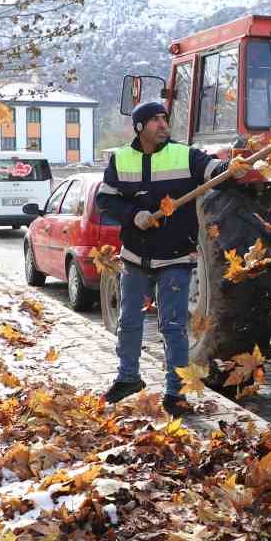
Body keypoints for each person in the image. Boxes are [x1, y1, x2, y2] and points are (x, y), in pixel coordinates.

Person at [96, 100, 247, 416]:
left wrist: (230, 169)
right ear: (140, 128)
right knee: (128, 322)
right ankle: (128, 377)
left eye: (165, 119)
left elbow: (212, 170)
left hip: (175, 257)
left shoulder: (185, 155)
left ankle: (175, 392)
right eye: (156, 120)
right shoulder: (121, 159)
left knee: (173, 326)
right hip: (135, 257)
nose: (164, 125)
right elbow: (105, 199)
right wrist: (133, 214)